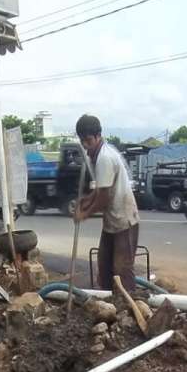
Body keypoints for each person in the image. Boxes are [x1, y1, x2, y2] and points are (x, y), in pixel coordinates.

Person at [73, 114, 141, 292]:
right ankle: (108, 307)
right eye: (82, 141)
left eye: (88, 140)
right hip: (111, 223)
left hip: (124, 222)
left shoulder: (104, 157)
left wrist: (84, 214)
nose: (85, 145)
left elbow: (104, 198)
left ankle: (129, 310)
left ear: (98, 136)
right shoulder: (96, 156)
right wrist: (86, 200)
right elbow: (101, 190)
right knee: (104, 269)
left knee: (122, 271)